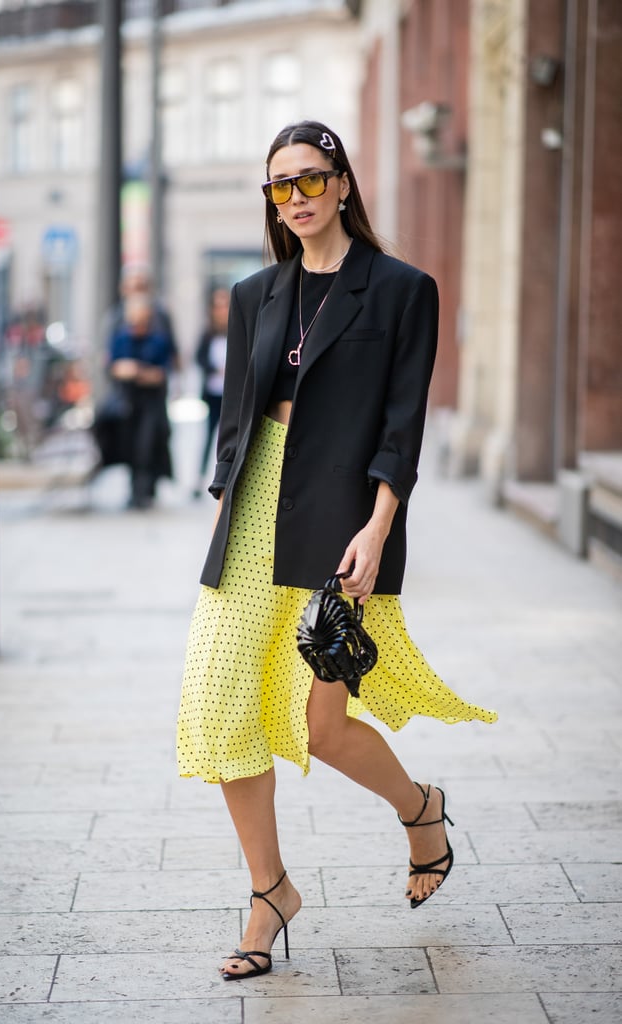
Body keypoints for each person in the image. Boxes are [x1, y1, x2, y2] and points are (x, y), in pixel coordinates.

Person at [176, 120, 497, 980]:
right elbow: (236, 421)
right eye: (282, 186)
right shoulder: (254, 294)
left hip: (344, 511)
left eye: (313, 179)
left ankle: (420, 808)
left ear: (344, 183)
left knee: (321, 726)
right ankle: (268, 890)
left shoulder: (400, 289)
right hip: (253, 513)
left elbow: (404, 421)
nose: (299, 197)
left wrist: (380, 523)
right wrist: (219, 515)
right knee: (217, 700)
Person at [107, 292, 174, 508]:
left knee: (147, 444)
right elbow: (113, 367)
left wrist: (136, 371)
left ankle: (145, 490)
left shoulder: (158, 340)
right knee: (130, 445)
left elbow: (161, 373)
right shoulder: (121, 339)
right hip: (127, 401)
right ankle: (134, 489)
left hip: (151, 402)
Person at [193, 287, 230, 496]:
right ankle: (200, 479)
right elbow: (199, 358)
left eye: (224, 305)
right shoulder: (208, 333)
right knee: (208, 437)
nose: (221, 310)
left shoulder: (238, 327)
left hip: (232, 396)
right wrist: (215, 369)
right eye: (217, 306)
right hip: (213, 393)